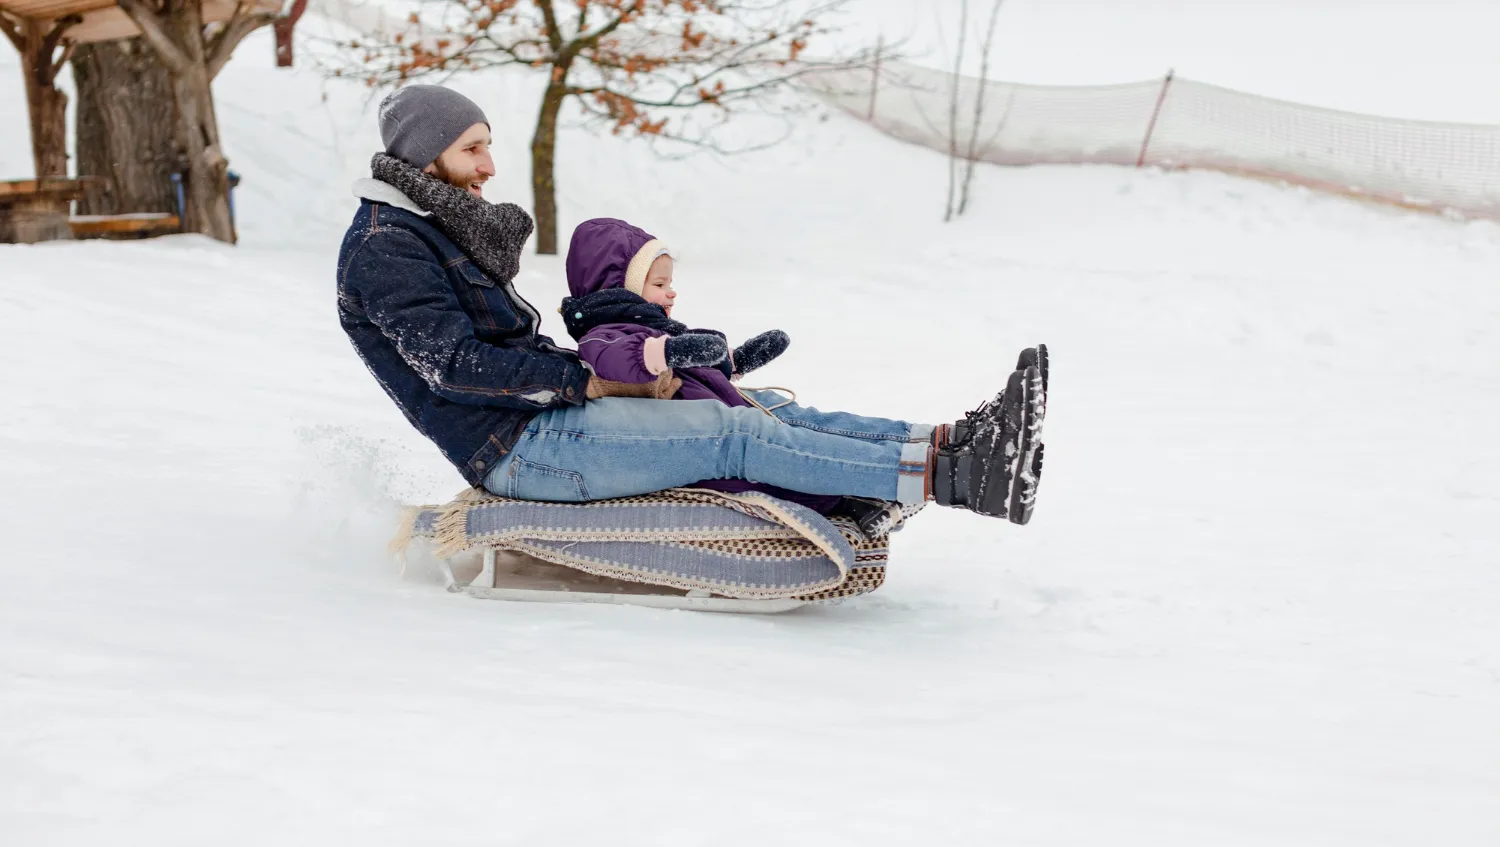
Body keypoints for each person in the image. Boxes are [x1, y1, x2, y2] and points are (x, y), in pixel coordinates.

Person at [337, 85, 1047, 525]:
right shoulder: (386, 248)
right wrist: (588, 378)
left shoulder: (429, 227)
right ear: (428, 156)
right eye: (474, 148)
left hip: (546, 418)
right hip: (516, 451)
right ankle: (955, 482)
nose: (491, 166)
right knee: (728, 432)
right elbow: (452, 368)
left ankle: (952, 440)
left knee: (762, 406)